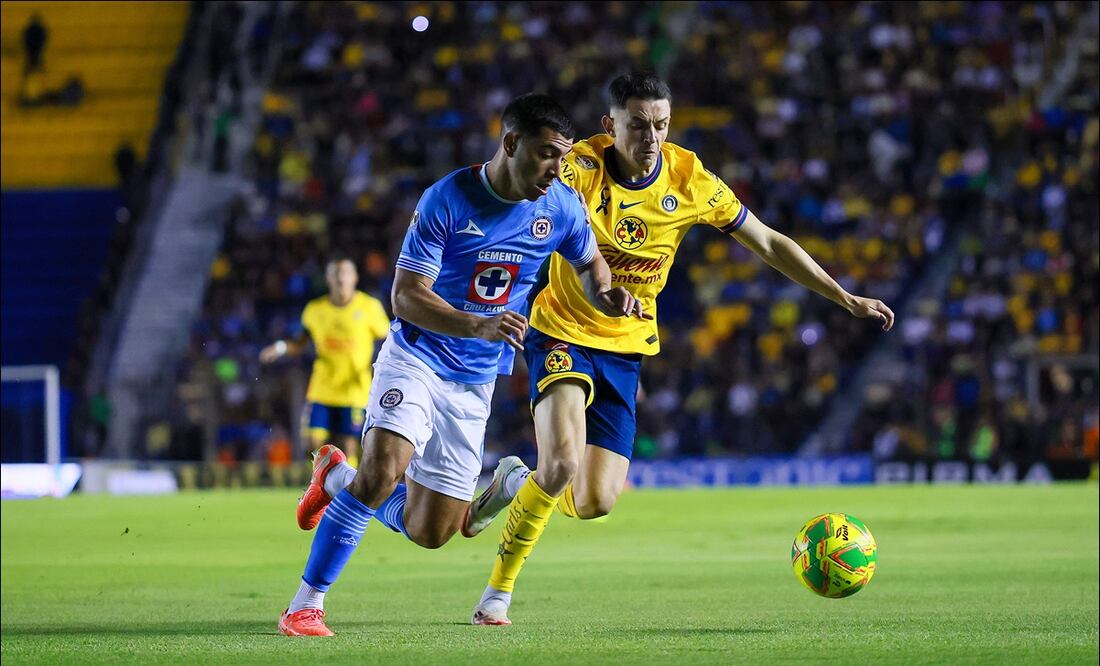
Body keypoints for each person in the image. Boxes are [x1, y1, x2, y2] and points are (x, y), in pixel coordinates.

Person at [464, 72, 896, 625]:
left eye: (661, 125)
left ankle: (517, 482)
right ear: (609, 125)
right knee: (564, 462)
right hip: (561, 328)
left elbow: (766, 240)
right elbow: (514, 192)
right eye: (638, 124)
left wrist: (844, 297)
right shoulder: (576, 168)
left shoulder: (689, 177)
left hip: (626, 346)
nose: (651, 137)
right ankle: (497, 595)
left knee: (594, 501)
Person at [276, 93, 647, 637]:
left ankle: (335, 477)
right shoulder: (448, 199)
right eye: (546, 154)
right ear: (511, 143)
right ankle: (305, 604)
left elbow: (590, 261)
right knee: (382, 473)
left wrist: (607, 293)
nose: (556, 169)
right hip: (418, 357)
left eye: (563, 158)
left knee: (432, 532)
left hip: (473, 382)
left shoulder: (561, 205)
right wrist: (477, 323)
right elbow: (405, 296)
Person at [260, 255, 390, 467]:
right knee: (313, 442)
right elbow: (300, 342)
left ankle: (347, 493)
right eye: (335, 274)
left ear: (354, 278)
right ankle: (319, 490)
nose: (341, 279)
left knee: (349, 445)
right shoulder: (315, 310)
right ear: (328, 279)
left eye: (345, 273)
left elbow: (388, 340)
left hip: (354, 389)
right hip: (322, 388)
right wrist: (281, 347)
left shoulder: (369, 307)